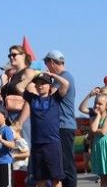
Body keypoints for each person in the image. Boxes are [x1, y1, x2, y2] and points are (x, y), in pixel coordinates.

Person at [15, 72, 71, 187]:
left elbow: (65, 84)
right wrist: (31, 77)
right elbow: (18, 87)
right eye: (38, 84)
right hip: (37, 145)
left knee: (56, 179)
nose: (40, 86)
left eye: (43, 83)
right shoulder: (32, 99)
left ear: (49, 86)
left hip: (52, 144)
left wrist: (52, 75)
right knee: (40, 180)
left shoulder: (55, 98)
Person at [43, 50, 77, 187]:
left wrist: (48, 78)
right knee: (62, 163)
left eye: (47, 64)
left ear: (51, 62)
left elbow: (51, 95)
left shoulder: (64, 77)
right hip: (62, 125)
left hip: (63, 125)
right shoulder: (66, 76)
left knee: (66, 164)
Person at [1, 45, 40, 143]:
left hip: (23, 118)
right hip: (10, 117)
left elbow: (31, 100)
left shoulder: (28, 72)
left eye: (14, 55)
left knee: (24, 149)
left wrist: (19, 122)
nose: (11, 57)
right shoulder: (14, 75)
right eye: (9, 55)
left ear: (23, 55)